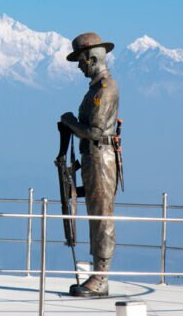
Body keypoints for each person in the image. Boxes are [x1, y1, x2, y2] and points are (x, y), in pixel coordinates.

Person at [60, 32, 119, 297]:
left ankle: (100, 277)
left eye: (81, 60)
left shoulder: (105, 89)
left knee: (101, 215)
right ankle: (98, 273)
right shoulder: (96, 88)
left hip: (100, 156)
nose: (79, 66)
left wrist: (70, 121)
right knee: (95, 213)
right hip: (93, 157)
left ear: (92, 57)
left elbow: (95, 131)